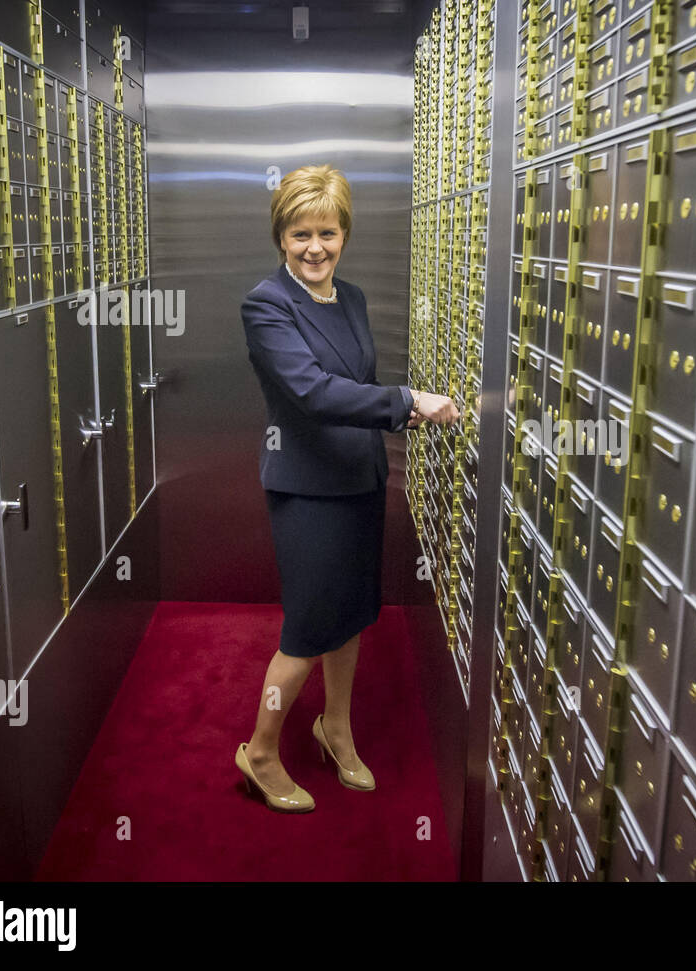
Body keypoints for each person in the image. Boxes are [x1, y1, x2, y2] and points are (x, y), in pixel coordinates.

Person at [236, 163, 459, 812]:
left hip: (361, 479)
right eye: (300, 233)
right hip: (307, 492)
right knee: (305, 632)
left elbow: (356, 386)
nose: (314, 247)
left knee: (353, 616)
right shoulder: (267, 305)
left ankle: (334, 728)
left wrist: (401, 410)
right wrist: (405, 399)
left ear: (344, 235)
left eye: (327, 233)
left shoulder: (354, 299)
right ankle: (260, 750)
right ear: (281, 235)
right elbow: (311, 391)